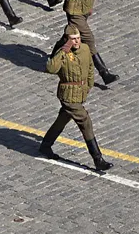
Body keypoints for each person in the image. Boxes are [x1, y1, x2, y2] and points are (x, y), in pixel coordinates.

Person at [38, 27, 112, 173]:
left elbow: (90, 69)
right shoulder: (63, 53)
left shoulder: (85, 49)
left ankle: (45, 145)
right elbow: (50, 68)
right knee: (85, 121)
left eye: (78, 38)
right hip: (68, 96)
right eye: (73, 39)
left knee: (63, 119)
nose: (77, 41)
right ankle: (98, 159)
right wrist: (63, 51)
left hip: (81, 93)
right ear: (67, 40)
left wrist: (88, 86)